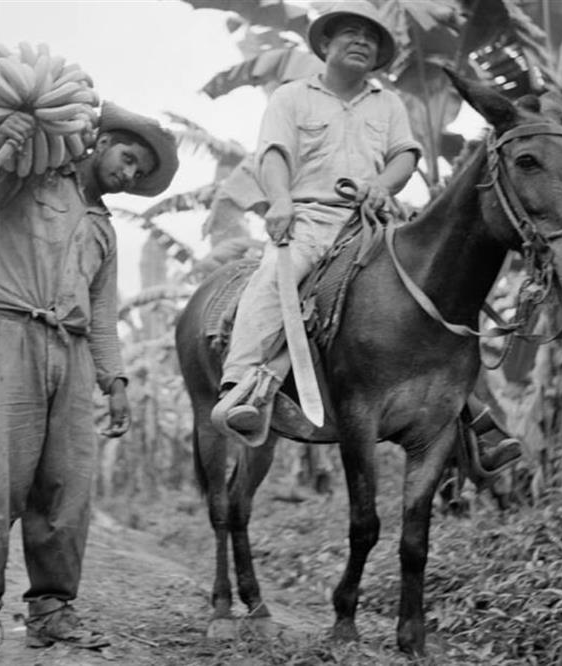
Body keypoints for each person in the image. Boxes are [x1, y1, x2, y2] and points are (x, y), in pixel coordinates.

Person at [213, 0, 521, 472]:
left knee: (437, 296)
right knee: (276, 277)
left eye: (372, 37)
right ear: (326, 43)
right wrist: (279, 200)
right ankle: (241, 387)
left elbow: (404, 156)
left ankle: (476, 419)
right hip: (310, 220)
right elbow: (273, 155)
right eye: (351, 33)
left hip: (374, 223)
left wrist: (382, 185)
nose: (362, 41)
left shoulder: (387, 102)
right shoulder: (292, 97)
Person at [0, 101, 179, 664]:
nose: (129, 173)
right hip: (10, 335)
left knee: (66, 489)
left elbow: (103, 313)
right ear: (101, 142)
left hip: (71, 351)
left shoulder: (104, 230)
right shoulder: (31, 174)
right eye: (127, 158)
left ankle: (51, 611)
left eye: (140, 171)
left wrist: (115, 380)